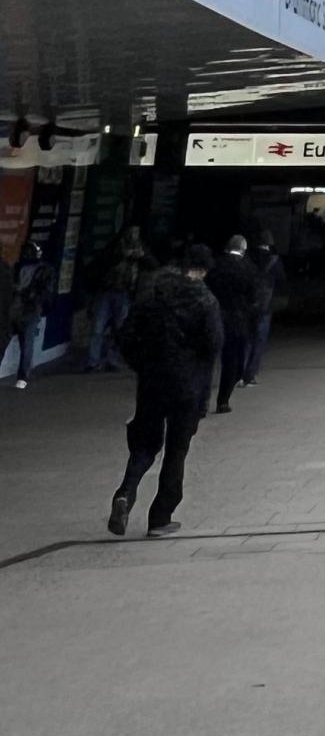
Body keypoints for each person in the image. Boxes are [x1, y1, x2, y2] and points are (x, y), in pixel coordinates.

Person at [108, 246, 223, 538]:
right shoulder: (205, 300)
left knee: (145, 444)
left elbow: (126, 336)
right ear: (202, 270)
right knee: (176, 450)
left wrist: (143, 365)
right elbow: (214, 345)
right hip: (188, 386)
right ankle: (161, 516)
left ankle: (125, 492)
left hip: (152, 382)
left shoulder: (152, 296)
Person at [208, 235, 259, 414]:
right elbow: (253, 298)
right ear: (244, 249)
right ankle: (223, 400)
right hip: (238, 320)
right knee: (232, 363)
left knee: (207, 361)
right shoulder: (249, 268)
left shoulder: (215, 265)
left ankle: (200, 403)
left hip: (214, 316)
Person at [87, 226, 148, 372]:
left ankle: (112, 359)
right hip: (107, 291)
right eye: (131, 232)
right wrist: (123, 254)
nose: (134, 235)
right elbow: (104, 262)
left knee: (119, 329)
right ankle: (92, 362)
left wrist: (141, 255)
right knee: (98, 328)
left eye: (136, 232)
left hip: (124, 292)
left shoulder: (140, 247)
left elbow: (152, 263)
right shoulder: (115, 246)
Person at [242, 232, 285, 386]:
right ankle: (251, 374)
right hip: (265, 305)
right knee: (259, 341)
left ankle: (238, 373)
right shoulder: (274, 261)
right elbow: (281, 283)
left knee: (246, 339)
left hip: (247, 305)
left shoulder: (247, 259)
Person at [7, 242, 53, 387]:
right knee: (26, 343)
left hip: (23, 308)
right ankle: (23, 377)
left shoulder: (21, 267)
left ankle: (23, 376)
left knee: (23, 343)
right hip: (24, 308)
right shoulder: (43, 269)